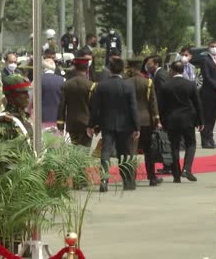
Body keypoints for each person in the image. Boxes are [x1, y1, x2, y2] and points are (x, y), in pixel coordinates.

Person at [88, 58, 140, 192]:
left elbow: (96, 108)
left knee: (105, 153)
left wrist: (92, 124)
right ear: (123, 70)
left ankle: (104, 180)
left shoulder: (101, 86)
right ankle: (127, 181)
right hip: (125, 125)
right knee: (124, 153)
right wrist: (136, 127)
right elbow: (133, 108)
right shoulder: (128, 86)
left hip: (107, 124)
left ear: (109, 69)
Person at [161, 61, 204, 182]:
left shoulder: (166, 85)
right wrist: (201, 121)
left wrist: (162, 121)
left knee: (174, 146)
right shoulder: (190, 85)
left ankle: (176, 175)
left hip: (172, 119)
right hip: (188, 119)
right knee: (191, 144)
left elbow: (162, 106)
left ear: (172, 70)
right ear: (183, 71)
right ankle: (187, 169)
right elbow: (198, 103)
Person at [126, 58, 163, 186]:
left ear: (131, 68)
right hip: (146, 120)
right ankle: (152, 177)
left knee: (132, 151)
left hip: (130, 121)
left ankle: (131, 179)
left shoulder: (126, 82)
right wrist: (157, 120)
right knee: (148, 150)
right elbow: (153, 104)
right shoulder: (148, 82)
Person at [57, 57, 95, 147]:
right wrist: (95, 125)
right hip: (86, 124)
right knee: (85, 150)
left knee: (74, 150)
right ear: (87, 68)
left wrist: (60, 125)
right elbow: (94, 107)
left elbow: (61, 106)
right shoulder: (91, 86)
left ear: (75, 67)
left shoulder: (66, 85)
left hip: (72, 124)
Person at [144, 55, 173, 174]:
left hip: (164, 113)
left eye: (149, 64)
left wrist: (157, 115)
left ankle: (168, 165)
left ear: (156, 64)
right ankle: (167, 164)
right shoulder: (159, 74)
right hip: (164, 112)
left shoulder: (160, 76)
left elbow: (161, 97)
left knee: (165, 140)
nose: (147, 66)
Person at [200, 41, 216, 149]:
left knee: (213, 117)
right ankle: (205, 140)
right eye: (212, 46)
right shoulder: (205, 60)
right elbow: (207, 76)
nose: (215, 48)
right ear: (208, 48)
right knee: (207, 116)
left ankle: (211, 139)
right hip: (208, 92)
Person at [0, 74, 33, 140]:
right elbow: (3, 148)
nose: (27, 96)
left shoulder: (23, 116)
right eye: (23, 93)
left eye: (27, 92)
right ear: (10, 97)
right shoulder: (5, 122)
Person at [41, 59, 65, 128]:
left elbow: (31, 100)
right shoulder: (63, 80)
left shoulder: (37, 80)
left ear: (42, 68)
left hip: (41, 118)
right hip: (58, 117)